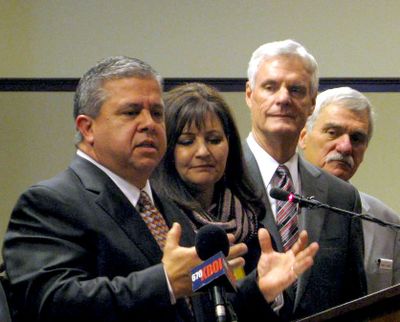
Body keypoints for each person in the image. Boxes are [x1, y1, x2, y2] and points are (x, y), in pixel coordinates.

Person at [2, 56, 318, 322]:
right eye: (130, 112)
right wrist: (165, 280)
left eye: (156, 113)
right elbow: (49, 304)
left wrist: (257, 289)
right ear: (87, 128)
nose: (149, 124)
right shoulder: (50, 202)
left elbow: (197, 299)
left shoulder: (165, 207)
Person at [242, 39, 367, 319]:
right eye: (270, 86)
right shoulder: (220, 178)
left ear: (312, 103)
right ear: (249, 95)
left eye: (296, 89)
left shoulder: (341, 196)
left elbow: (355, 301)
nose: (283, 98)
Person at [153, 82, 266, 274]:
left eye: (214, 140)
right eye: (187, 142)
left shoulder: (251, 223)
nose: (203, 152)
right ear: (167, 149)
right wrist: (208, 272)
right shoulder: (156, 220)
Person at [299, 86, 400, 293]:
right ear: (303, 137)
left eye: (356, 138)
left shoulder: (388, 224)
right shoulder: (280, 209)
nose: (345, 147)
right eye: (332, 133)